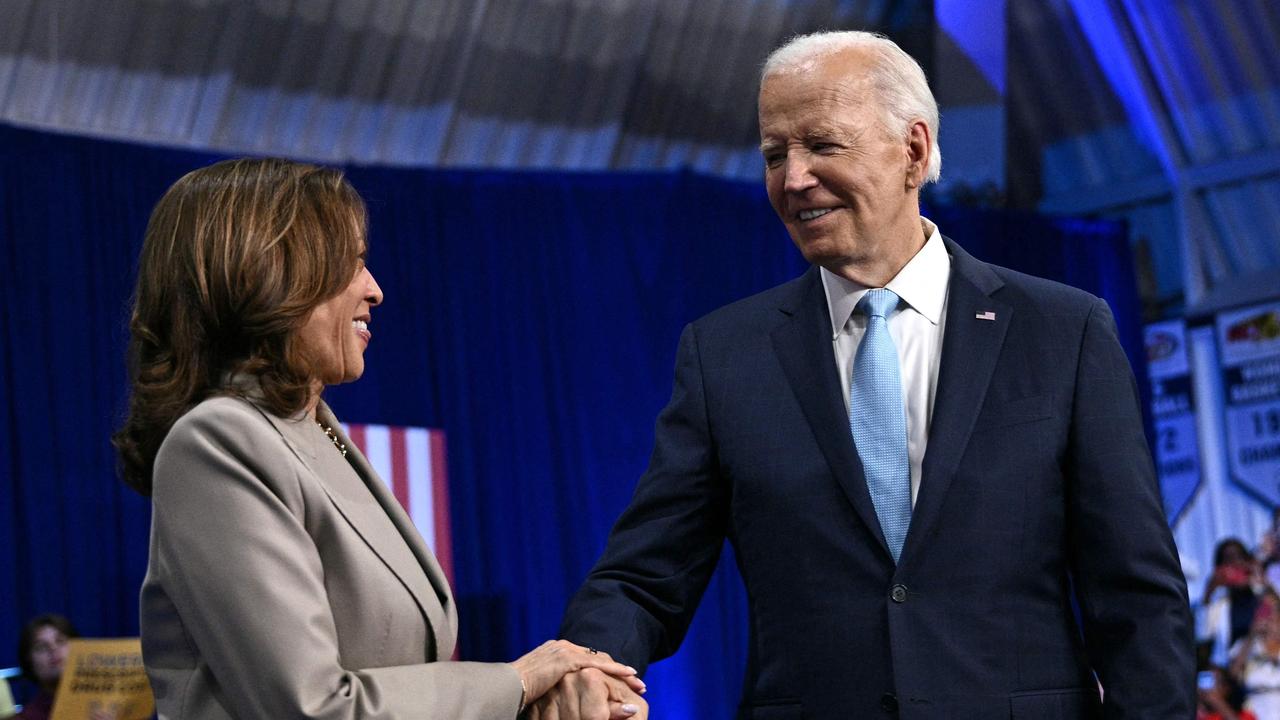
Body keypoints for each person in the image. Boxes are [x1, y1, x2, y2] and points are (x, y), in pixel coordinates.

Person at [550, 30, 1195, 717]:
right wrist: (584, 665)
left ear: (913, 150)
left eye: (823, 146)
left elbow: (1137, 601)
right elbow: (643, 578)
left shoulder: (1062, 332)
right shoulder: (725, 357)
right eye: (775, 155)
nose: (793, 178)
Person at [112, 158, 646, 719]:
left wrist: (538, 702)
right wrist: (516, 682)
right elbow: (313, 708)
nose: (375, 289)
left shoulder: (315, 429)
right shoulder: (216, 444)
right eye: (351, 262)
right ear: (266, 273)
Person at [13, 614, 113, 720]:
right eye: (41, 647)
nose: (53, 649)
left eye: (60, 641)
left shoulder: (108, 705)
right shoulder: (26, 717)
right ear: (29, 661)